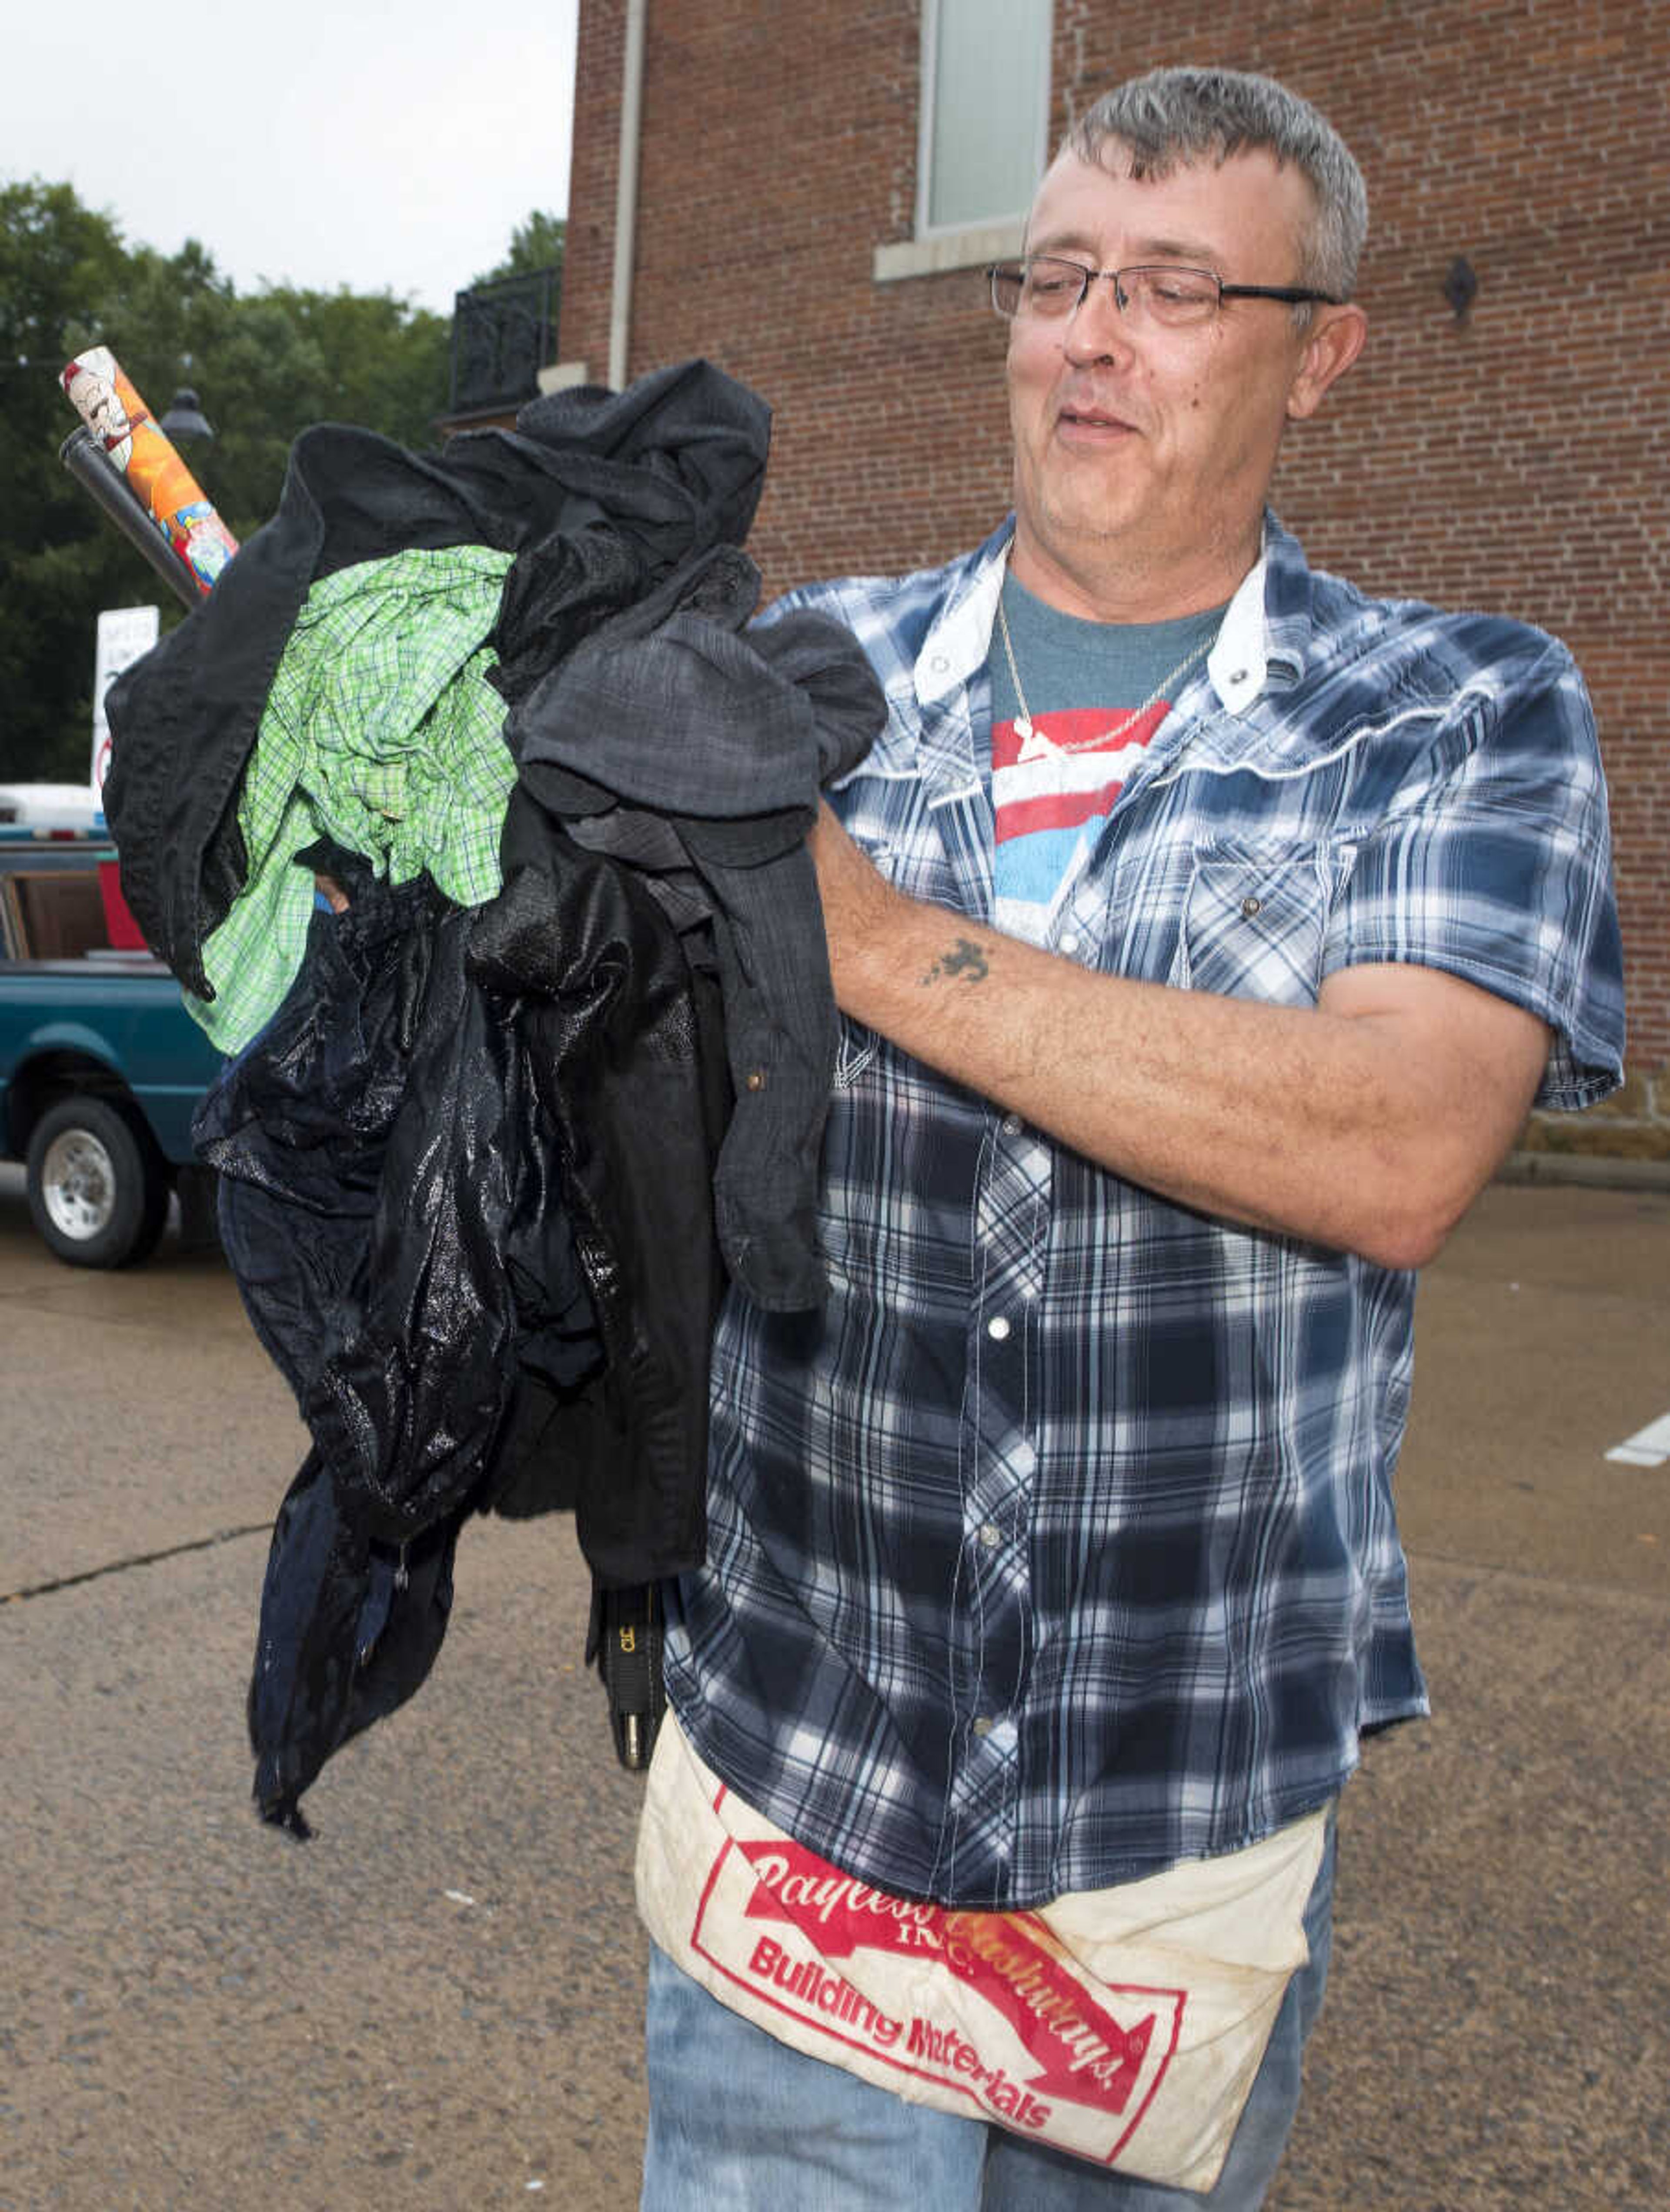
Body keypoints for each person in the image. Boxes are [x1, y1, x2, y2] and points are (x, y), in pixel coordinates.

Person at [632, 64, 1624, 2210]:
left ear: (1321, 353)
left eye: (1173, 290)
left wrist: (873, 946)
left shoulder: (1457, 710)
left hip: (1172, 1843)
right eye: (1059, 277)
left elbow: (1395, 1147)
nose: (1090, 334)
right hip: (798, 1798)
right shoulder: (803, 681)